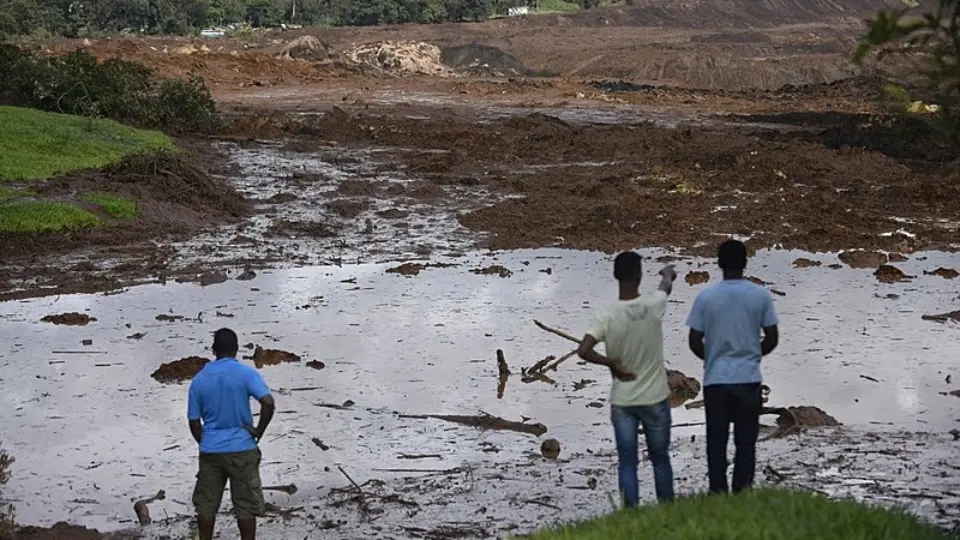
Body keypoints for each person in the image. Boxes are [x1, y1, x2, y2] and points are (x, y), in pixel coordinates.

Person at [577, 251, 679, 507]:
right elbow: (665, 287)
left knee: (627, 463)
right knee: (660, 459)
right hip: (655, 398)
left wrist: (611, 363)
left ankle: (629, 516)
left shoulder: (607, 315)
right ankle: (668, 512)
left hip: (623, 401)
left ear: (615, 275)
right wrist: (667, 273)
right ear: (639, 275)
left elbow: (584, 350)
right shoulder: (653, 304)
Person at [686, 239, 779, 495]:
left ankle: (717, 493)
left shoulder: (706, 297)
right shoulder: (760, 295)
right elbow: (772, 338)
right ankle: (743, 491)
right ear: (746, 263)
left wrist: (711, 358)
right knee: (746, 441)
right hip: (748, 378)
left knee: (716, 442)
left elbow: (694, 340)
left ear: (718, 263)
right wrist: (752, 355)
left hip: (716, 380)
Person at [187, 328, 276, 540]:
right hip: (242, 448)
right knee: (245, 507)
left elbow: (193, 421)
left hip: (211, 451)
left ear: (213, 349)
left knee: (206, 506)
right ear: (236, 349)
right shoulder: (245, 373)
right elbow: (268, 402)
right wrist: (258, 431)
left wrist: (205, 441)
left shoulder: (199, 379)